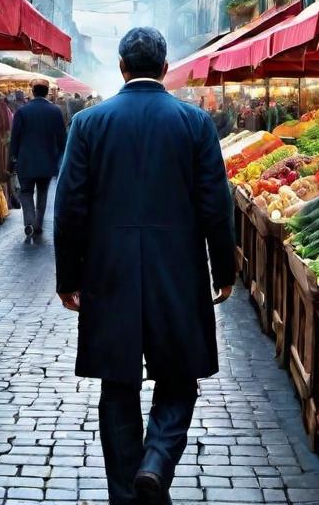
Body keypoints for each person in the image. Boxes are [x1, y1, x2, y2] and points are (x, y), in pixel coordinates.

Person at [54, 27, 234, 505]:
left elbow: (69, 205)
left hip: (108, 271)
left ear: (121, 67)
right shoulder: (195, 124)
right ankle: (155, 462)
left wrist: (68, 277)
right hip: (177, 269)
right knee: (179, 378)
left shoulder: (89, 124)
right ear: (166, 67)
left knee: (118, 384)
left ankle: (126, 493)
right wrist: (226, 269)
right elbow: (217, 205)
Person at [9, 80, 67, 240]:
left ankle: (29, 221)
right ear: (47, 92)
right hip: (48, 161)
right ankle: (38, 225)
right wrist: (62, 160)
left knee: (26, 192)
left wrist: (11, 161)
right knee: (42, 193)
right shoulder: (55, 111)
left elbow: (14, 139)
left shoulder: (22, 111)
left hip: (26, 161)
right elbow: (63, 139)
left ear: (32, 91)